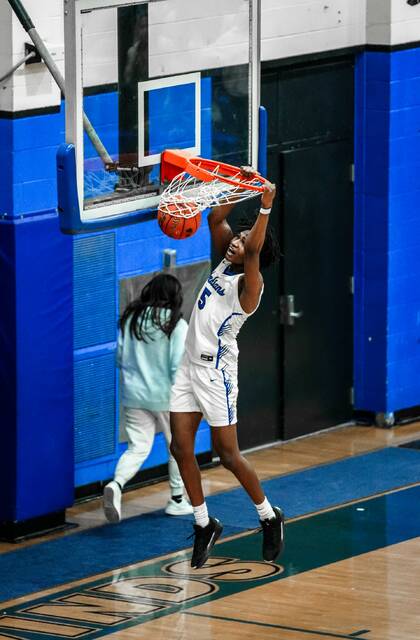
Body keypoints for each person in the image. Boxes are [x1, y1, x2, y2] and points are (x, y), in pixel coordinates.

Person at [169, 174, 284, 569]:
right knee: (180, 447)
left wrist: (266, 206)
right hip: (188, 368)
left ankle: (269, 516)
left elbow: (252, 252)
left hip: (217, 373)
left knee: (228, 454)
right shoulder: (223, 260)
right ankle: (204, 523)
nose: (237, 239)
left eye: (246, 238)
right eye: (240, 235)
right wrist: (235, 184)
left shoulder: (250, 286)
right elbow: (216, 221)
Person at [103, 273, 192, 523]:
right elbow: (176, 366)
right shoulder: (176, 324)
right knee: (177, 447)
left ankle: (117, 484)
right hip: (166, 397)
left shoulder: (131, 319)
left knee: (137, 448)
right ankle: (176, 500)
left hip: (133, 395)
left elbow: (119, 358)